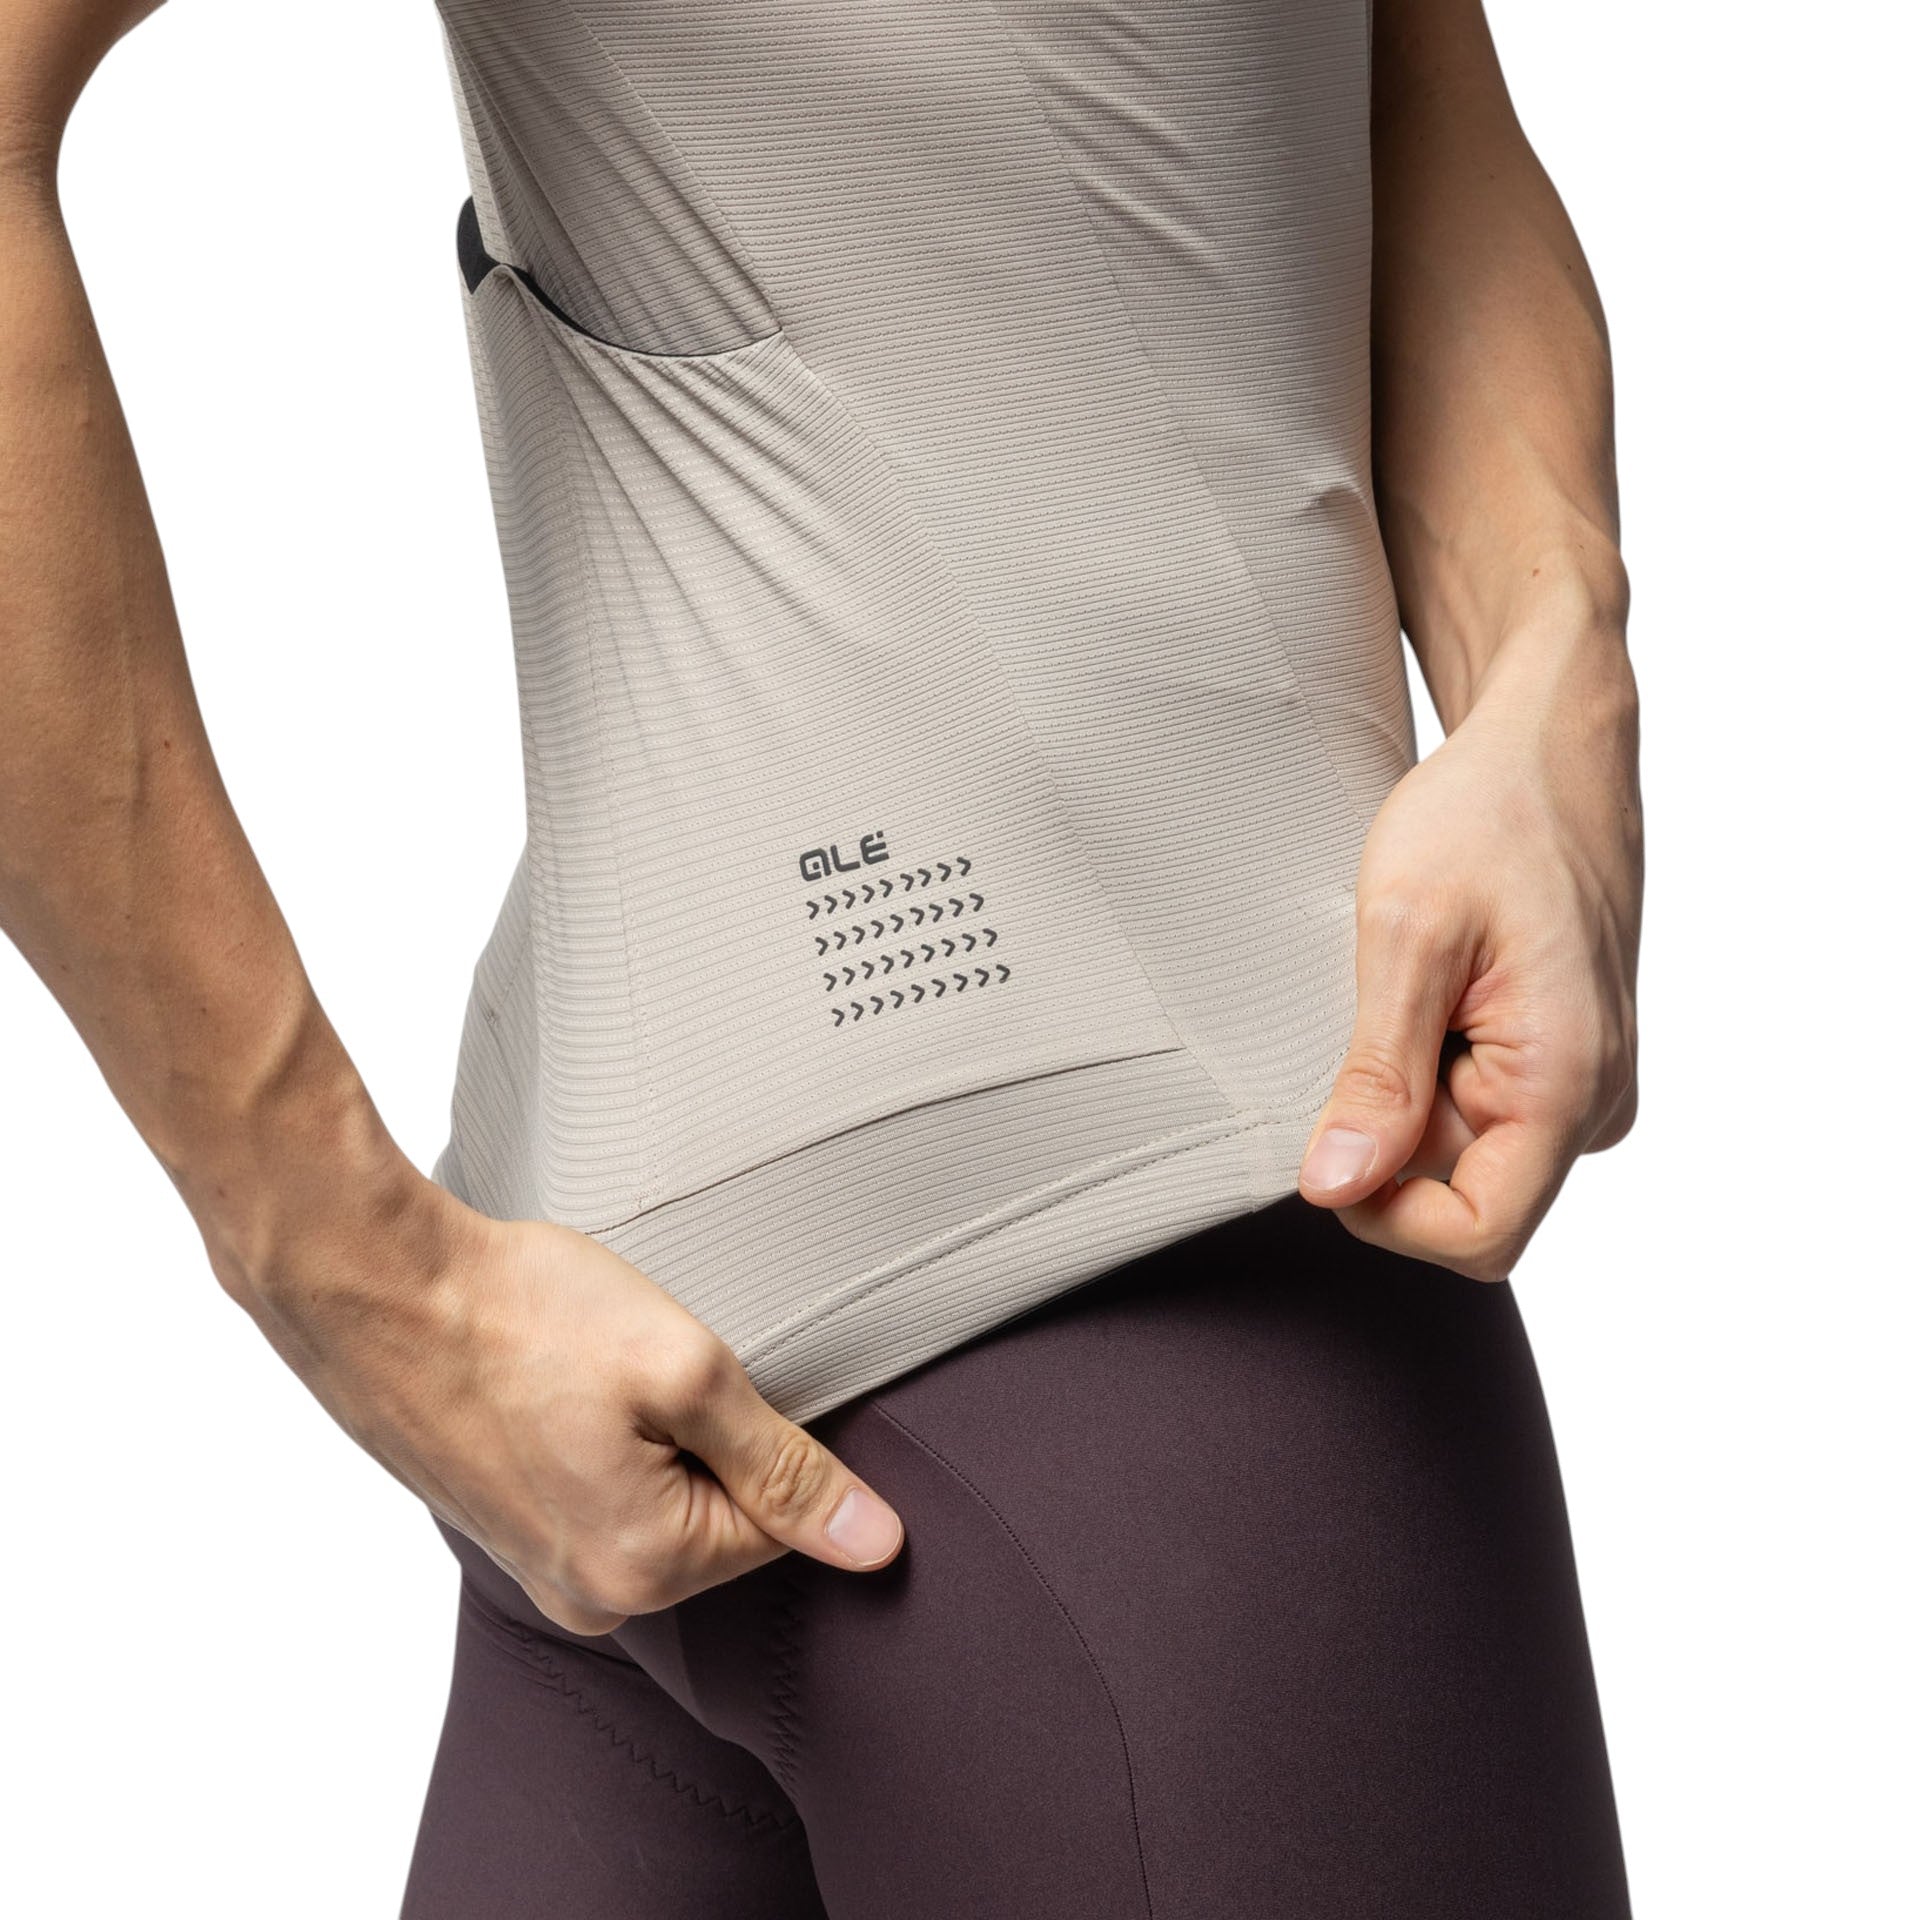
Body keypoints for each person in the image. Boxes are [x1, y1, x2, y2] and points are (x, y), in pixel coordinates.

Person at [0, 0, 1643, 1912]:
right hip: (1153, 1371)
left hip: (843, 1345)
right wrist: (334, 1258)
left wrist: (1554, 668)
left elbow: (1393, 68)